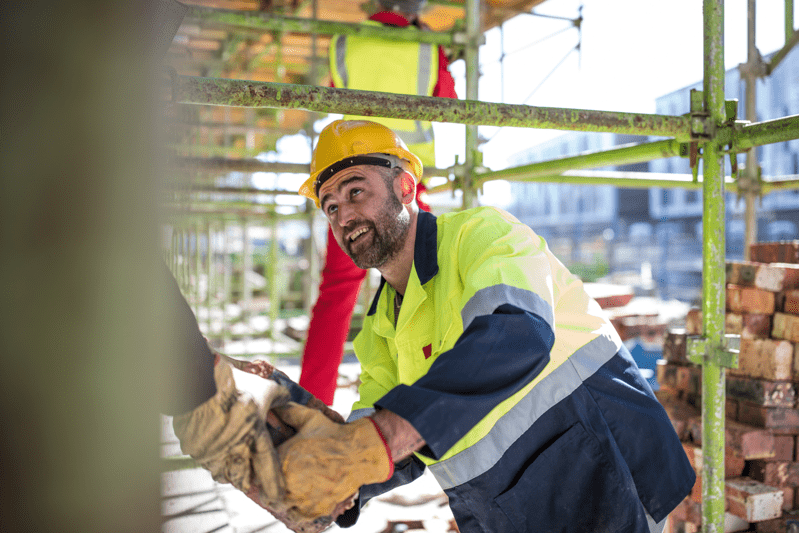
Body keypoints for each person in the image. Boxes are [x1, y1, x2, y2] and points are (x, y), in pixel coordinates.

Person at [276, 119, 696, 533]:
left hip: (604, 470)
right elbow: (380, 435)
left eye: (356, 191)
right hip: (511, 506)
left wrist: (386, 434)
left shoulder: (482, 237)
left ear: (404, 187)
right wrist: (336, 485)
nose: (344, 215)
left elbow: (516, 335)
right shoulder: (380, 326)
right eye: (331, 206)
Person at [298, 0, 457, 406]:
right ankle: (431, 393)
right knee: (426, 285)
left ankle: (311, 404)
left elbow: (333, 98)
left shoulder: (344, 42)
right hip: (404, 187)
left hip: (352, 183)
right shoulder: (426, 46)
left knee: (336, 294)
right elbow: (450, 102)